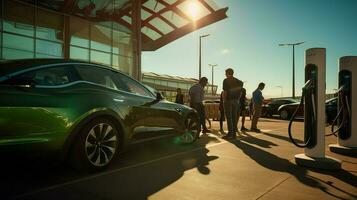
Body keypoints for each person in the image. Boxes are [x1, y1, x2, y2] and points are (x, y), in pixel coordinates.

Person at [222, 68, 243, 139]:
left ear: (228, 73)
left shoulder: (226, 80)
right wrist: (237, 99)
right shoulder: (239, 82)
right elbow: (240, 92)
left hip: (228, 100)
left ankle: (230, 133)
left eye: (225, 73)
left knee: (229, 117)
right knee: (234, 117)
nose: (225, 74)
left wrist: (224, 100)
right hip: (236, 101)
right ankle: (234, 133)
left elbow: (225, 92)